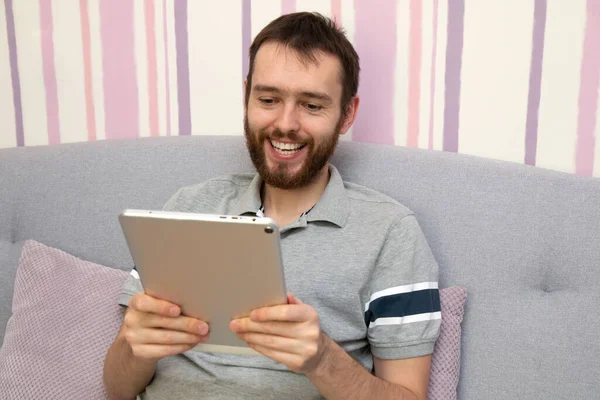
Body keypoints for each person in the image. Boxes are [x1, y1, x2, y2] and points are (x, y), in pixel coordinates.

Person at [103, 12, 441, 400]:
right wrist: (135, 344)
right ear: (246, 95)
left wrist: (322, 359)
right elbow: (116, 388)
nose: (285, 124)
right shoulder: (189, 206)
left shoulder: (391, 232)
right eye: (268, 99)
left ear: (347, 113)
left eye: (312, 106)